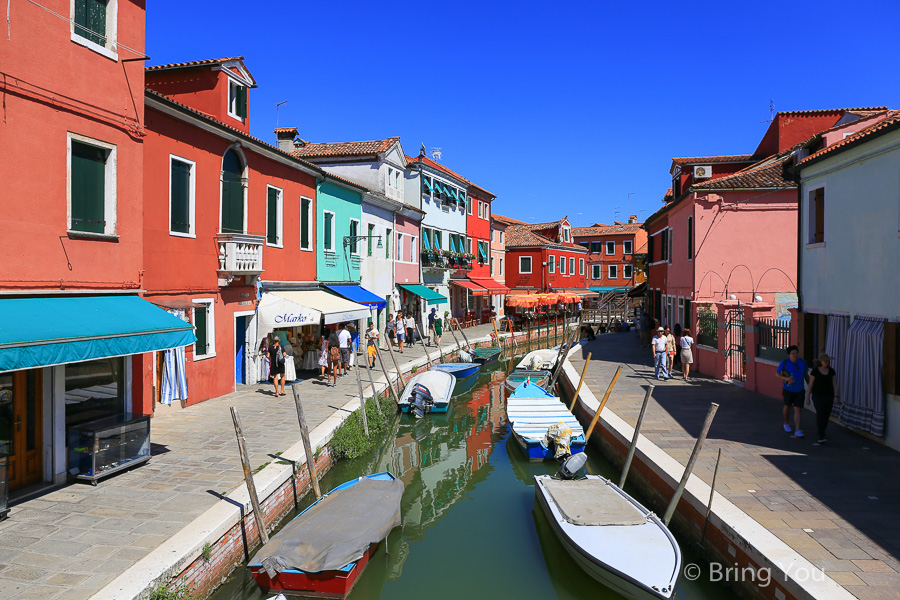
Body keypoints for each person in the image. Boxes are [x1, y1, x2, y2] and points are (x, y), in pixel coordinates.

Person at [806, 352, 838, 443]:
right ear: (820, 362)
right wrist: (808, 397)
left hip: (829, 395)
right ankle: (821, 435)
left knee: (826, 415)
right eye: (825, 361)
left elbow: (835, 384)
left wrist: (836, 396)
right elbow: (810, 384)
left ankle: (822, 430)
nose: (827, 362)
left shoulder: (832, 371)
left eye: (828, 361)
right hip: (817, 395)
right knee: (820, 413)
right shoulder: (815, 371)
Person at [777, 345, 808, 438]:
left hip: (800, 389)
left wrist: (810, 385)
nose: (795, 355)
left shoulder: (802, 362)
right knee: (787, 406)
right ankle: (786, 423)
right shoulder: (784, 363)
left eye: (796, 353)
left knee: (798, 409)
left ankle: (797, 430)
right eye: (793, 353)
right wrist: (786, 378)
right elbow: (777, 374)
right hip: (788, 389)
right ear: (789, 354)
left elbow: (806, 374)